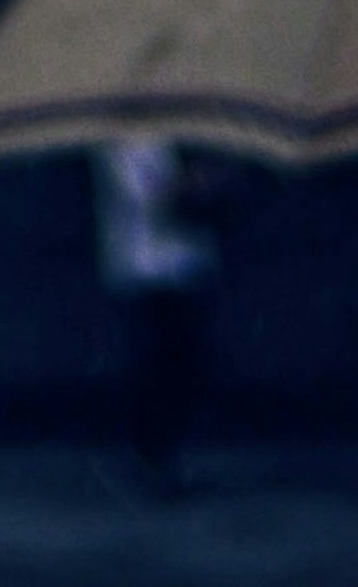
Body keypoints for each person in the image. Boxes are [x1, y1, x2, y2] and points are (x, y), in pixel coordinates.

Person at [93, 134, 217, 494]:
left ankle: (165, 455)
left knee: (184, 367)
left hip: (187, 267)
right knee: (154, 368)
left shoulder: (179, 138)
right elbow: (149, 196)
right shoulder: (118, 143)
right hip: (145, 270)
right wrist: (192, 184)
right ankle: (148, 457)